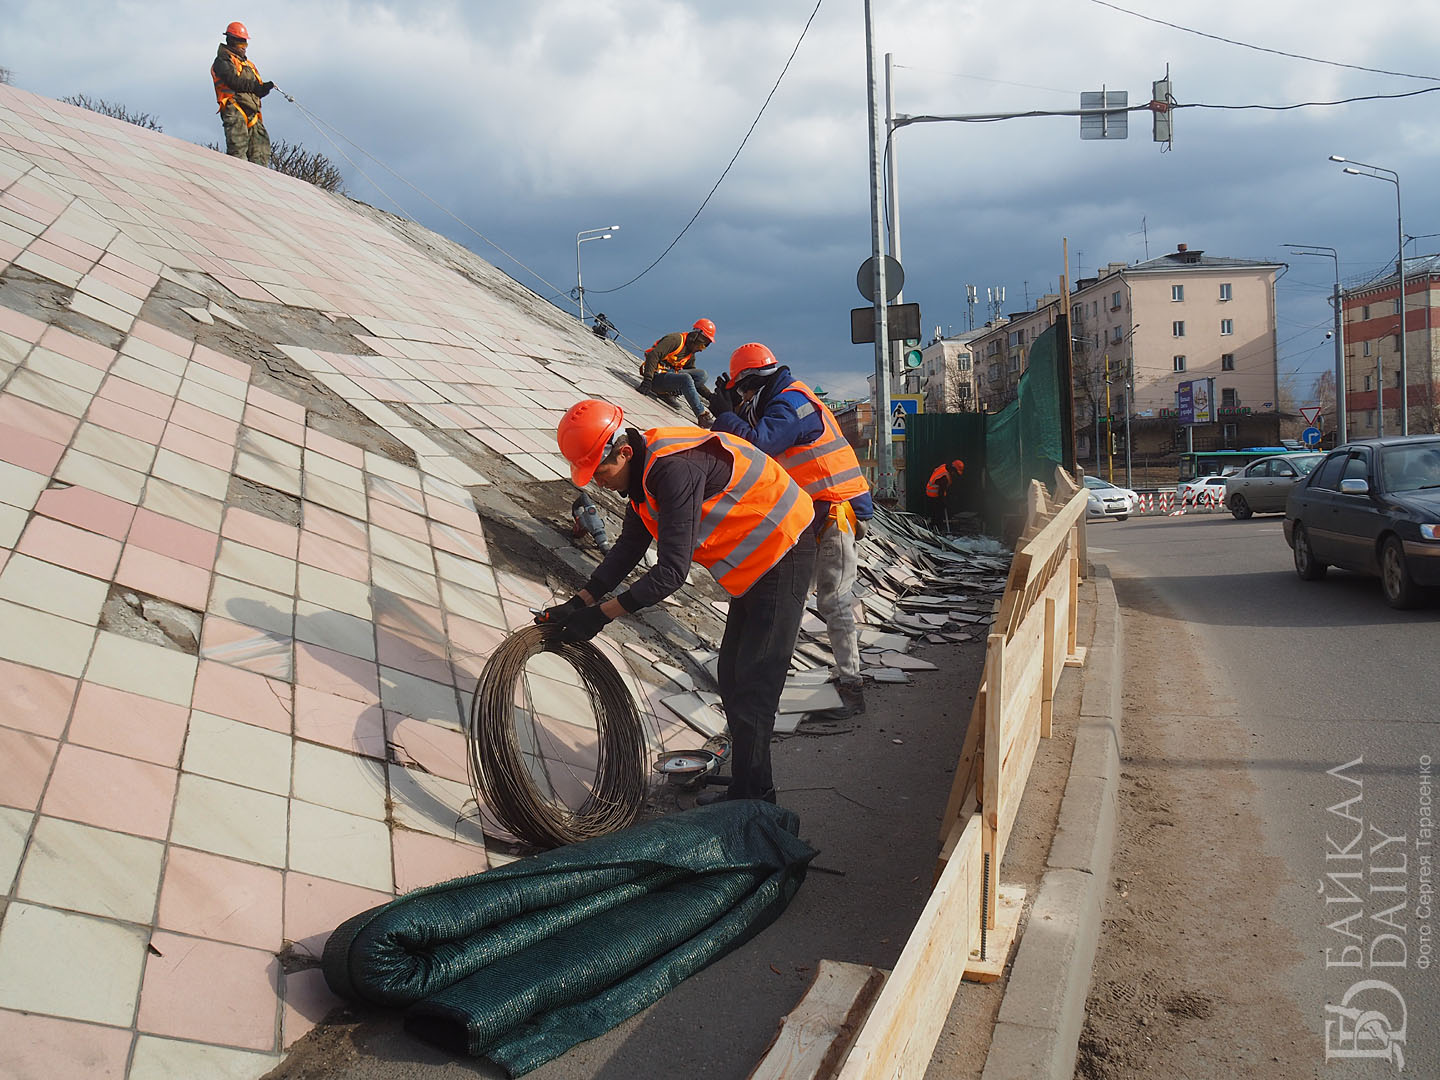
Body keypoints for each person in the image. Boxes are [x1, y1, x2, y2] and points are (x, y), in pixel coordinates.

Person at [543, 399, 816, 804]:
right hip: (755, 568)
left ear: (624, 452)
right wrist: (580, 600)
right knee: (734, 677)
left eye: (600, 470)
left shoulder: (673, 470)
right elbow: (631, 544)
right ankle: (751, 784)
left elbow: (671, 573)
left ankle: (754, 801)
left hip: (785, 548)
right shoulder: (641, 479)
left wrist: (601, 616)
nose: (597, 483)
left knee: (755, 684)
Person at [709, 344, 873, 720]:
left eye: (745, 390)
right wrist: (730, 414)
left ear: (754, 382)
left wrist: (726, 416)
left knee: (833, 600)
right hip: (817, 515)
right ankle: (774, 677)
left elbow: (761, 442)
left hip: (836, 513)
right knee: (792, 598)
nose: (745, 398)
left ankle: (852, 686)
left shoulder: (791, 403)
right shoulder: (781, 399)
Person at [212, 21, 274, 166]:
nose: (244, 48)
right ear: (232, 41)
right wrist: (257, 87)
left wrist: (263, 89)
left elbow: (254, 89)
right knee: (238, 156)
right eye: (241, 44)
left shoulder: (249, 65)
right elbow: (233, 81)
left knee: (261, 154)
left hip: (252, 113)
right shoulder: (222, 61)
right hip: (234, 109)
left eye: (246, 44)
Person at [641, 319, 717, 427]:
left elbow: (694, 380)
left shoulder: (690, 354)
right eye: (703, 345)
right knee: (686, 378)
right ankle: (701, 416)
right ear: (697, 337)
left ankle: (669, 393)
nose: (701, 349)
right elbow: (653, 355)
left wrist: (709, 396)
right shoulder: (675, 340)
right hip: (656, 377)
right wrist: (647, 380)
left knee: (702, 375)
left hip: (670, 378)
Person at [925, 459, 965, 531]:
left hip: (932, 491)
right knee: (938, 512)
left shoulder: (943, 467)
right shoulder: (944, 477)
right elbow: (941, 491)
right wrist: (943, 502)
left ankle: (935, 527)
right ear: (953, 469)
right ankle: (937, 528)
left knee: (936, 512)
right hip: (934, 494)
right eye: (955, 472)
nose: (955, 475)